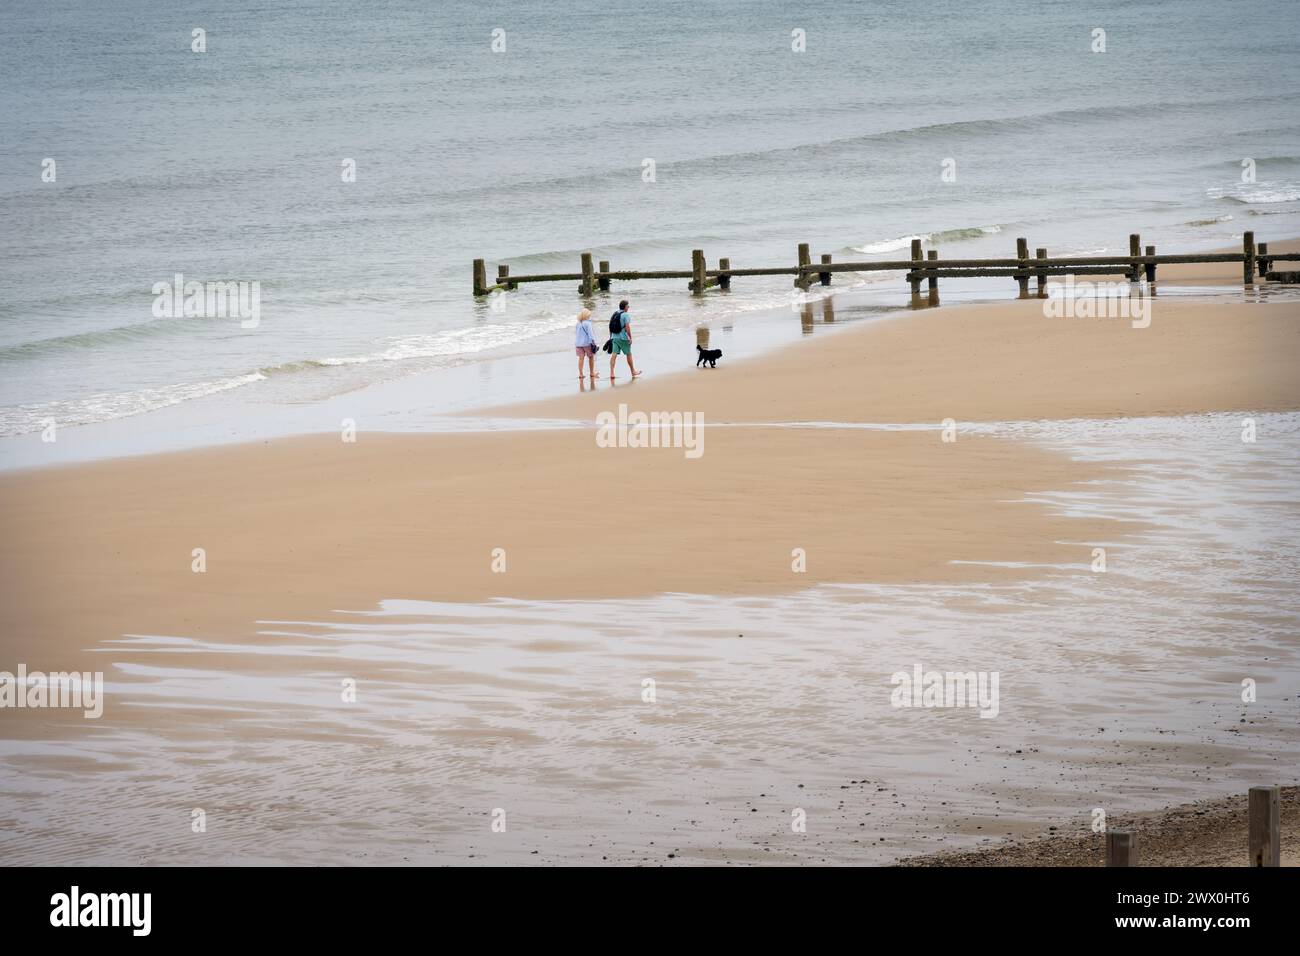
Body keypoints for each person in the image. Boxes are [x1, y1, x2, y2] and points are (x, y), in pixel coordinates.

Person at [608, 299, 641, 380]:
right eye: (628, 306)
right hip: (623, 338)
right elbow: (627, 327)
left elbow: (610, 326)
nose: (628, 307)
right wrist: (630, 337)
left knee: (614, 354)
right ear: (625, 307)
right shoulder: (625, 315)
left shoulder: (615, 313)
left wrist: (610, 337)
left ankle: (612, 373)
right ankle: (633, 371)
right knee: (628, 354)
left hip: (614, 337)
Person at [574, 308, 599, 380]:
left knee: (581, 358)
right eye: (589, 315)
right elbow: (591, 335)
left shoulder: (578, 323)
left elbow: (577, 333)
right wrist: (593, 343)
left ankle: (581, 374)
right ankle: (592, 373)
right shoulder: (588, 323)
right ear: (587, 315)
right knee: (591, 357)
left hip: (578, 343)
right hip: (587, 343)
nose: (589, 316)